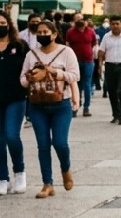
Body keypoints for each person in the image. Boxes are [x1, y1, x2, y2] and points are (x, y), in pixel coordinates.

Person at [20, 20, 80, 198]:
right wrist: (30, 78)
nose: (42, 35)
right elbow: (22, 79)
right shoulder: (32, 55)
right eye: (40, 32)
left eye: (46, 31)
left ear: (54, 34)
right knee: (43, 145)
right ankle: (47, 183)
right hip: (37, 105)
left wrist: (54, 72)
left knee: (60, 143)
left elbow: (75, 75)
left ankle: (66, 169)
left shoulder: (66, 52)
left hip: (61, 104)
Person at [0, 11, 28, 195]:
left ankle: (19, 172)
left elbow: (29, 68)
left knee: (12, 136)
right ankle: (3, 177)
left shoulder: (20, 45)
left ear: (8, 24)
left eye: (2, 22)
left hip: (16, 98)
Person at [97, 17, 121, 125]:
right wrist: (100, 66)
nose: (115, 26)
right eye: (113, 24)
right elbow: (101, 52)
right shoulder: (106, 37)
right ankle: (115, 115)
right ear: (110, 25)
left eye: (117, 24)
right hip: (110, 67)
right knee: (112, 92)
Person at [64, 13, 96, 117]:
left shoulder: (91, 31)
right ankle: (76, 106)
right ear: (74, 20)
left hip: (88, 61)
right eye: (76, 19)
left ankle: (86, 107)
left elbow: (94, 44)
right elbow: (67, 46)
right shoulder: (70, 32)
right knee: (75, 84)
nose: (79, 20)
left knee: (87, 84)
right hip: (74, 62)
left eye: (80, 18)